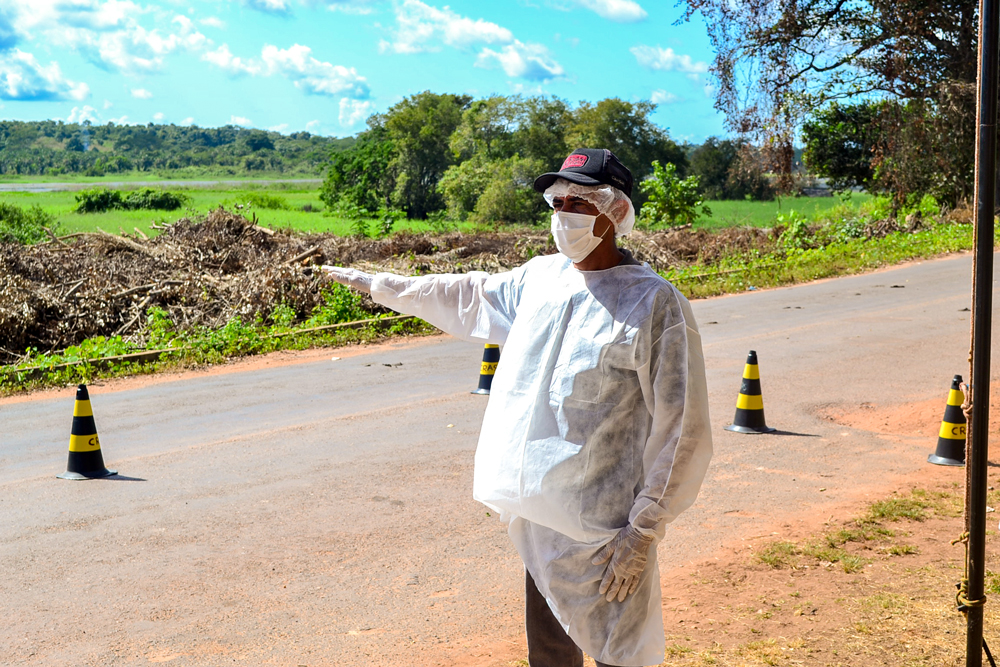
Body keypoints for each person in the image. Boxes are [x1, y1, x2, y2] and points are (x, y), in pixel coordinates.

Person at [323, 148, 713, 667]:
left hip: (606, 534)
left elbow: (681, 428)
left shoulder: (654, 304)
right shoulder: (541, 280)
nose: (563, 213)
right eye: (558, 200)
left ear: (615, 212)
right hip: (541, 522)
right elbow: (468, 295)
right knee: (550, 655)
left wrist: (642, 532)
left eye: (579, 201)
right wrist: (382, 285)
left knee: (622, 655)